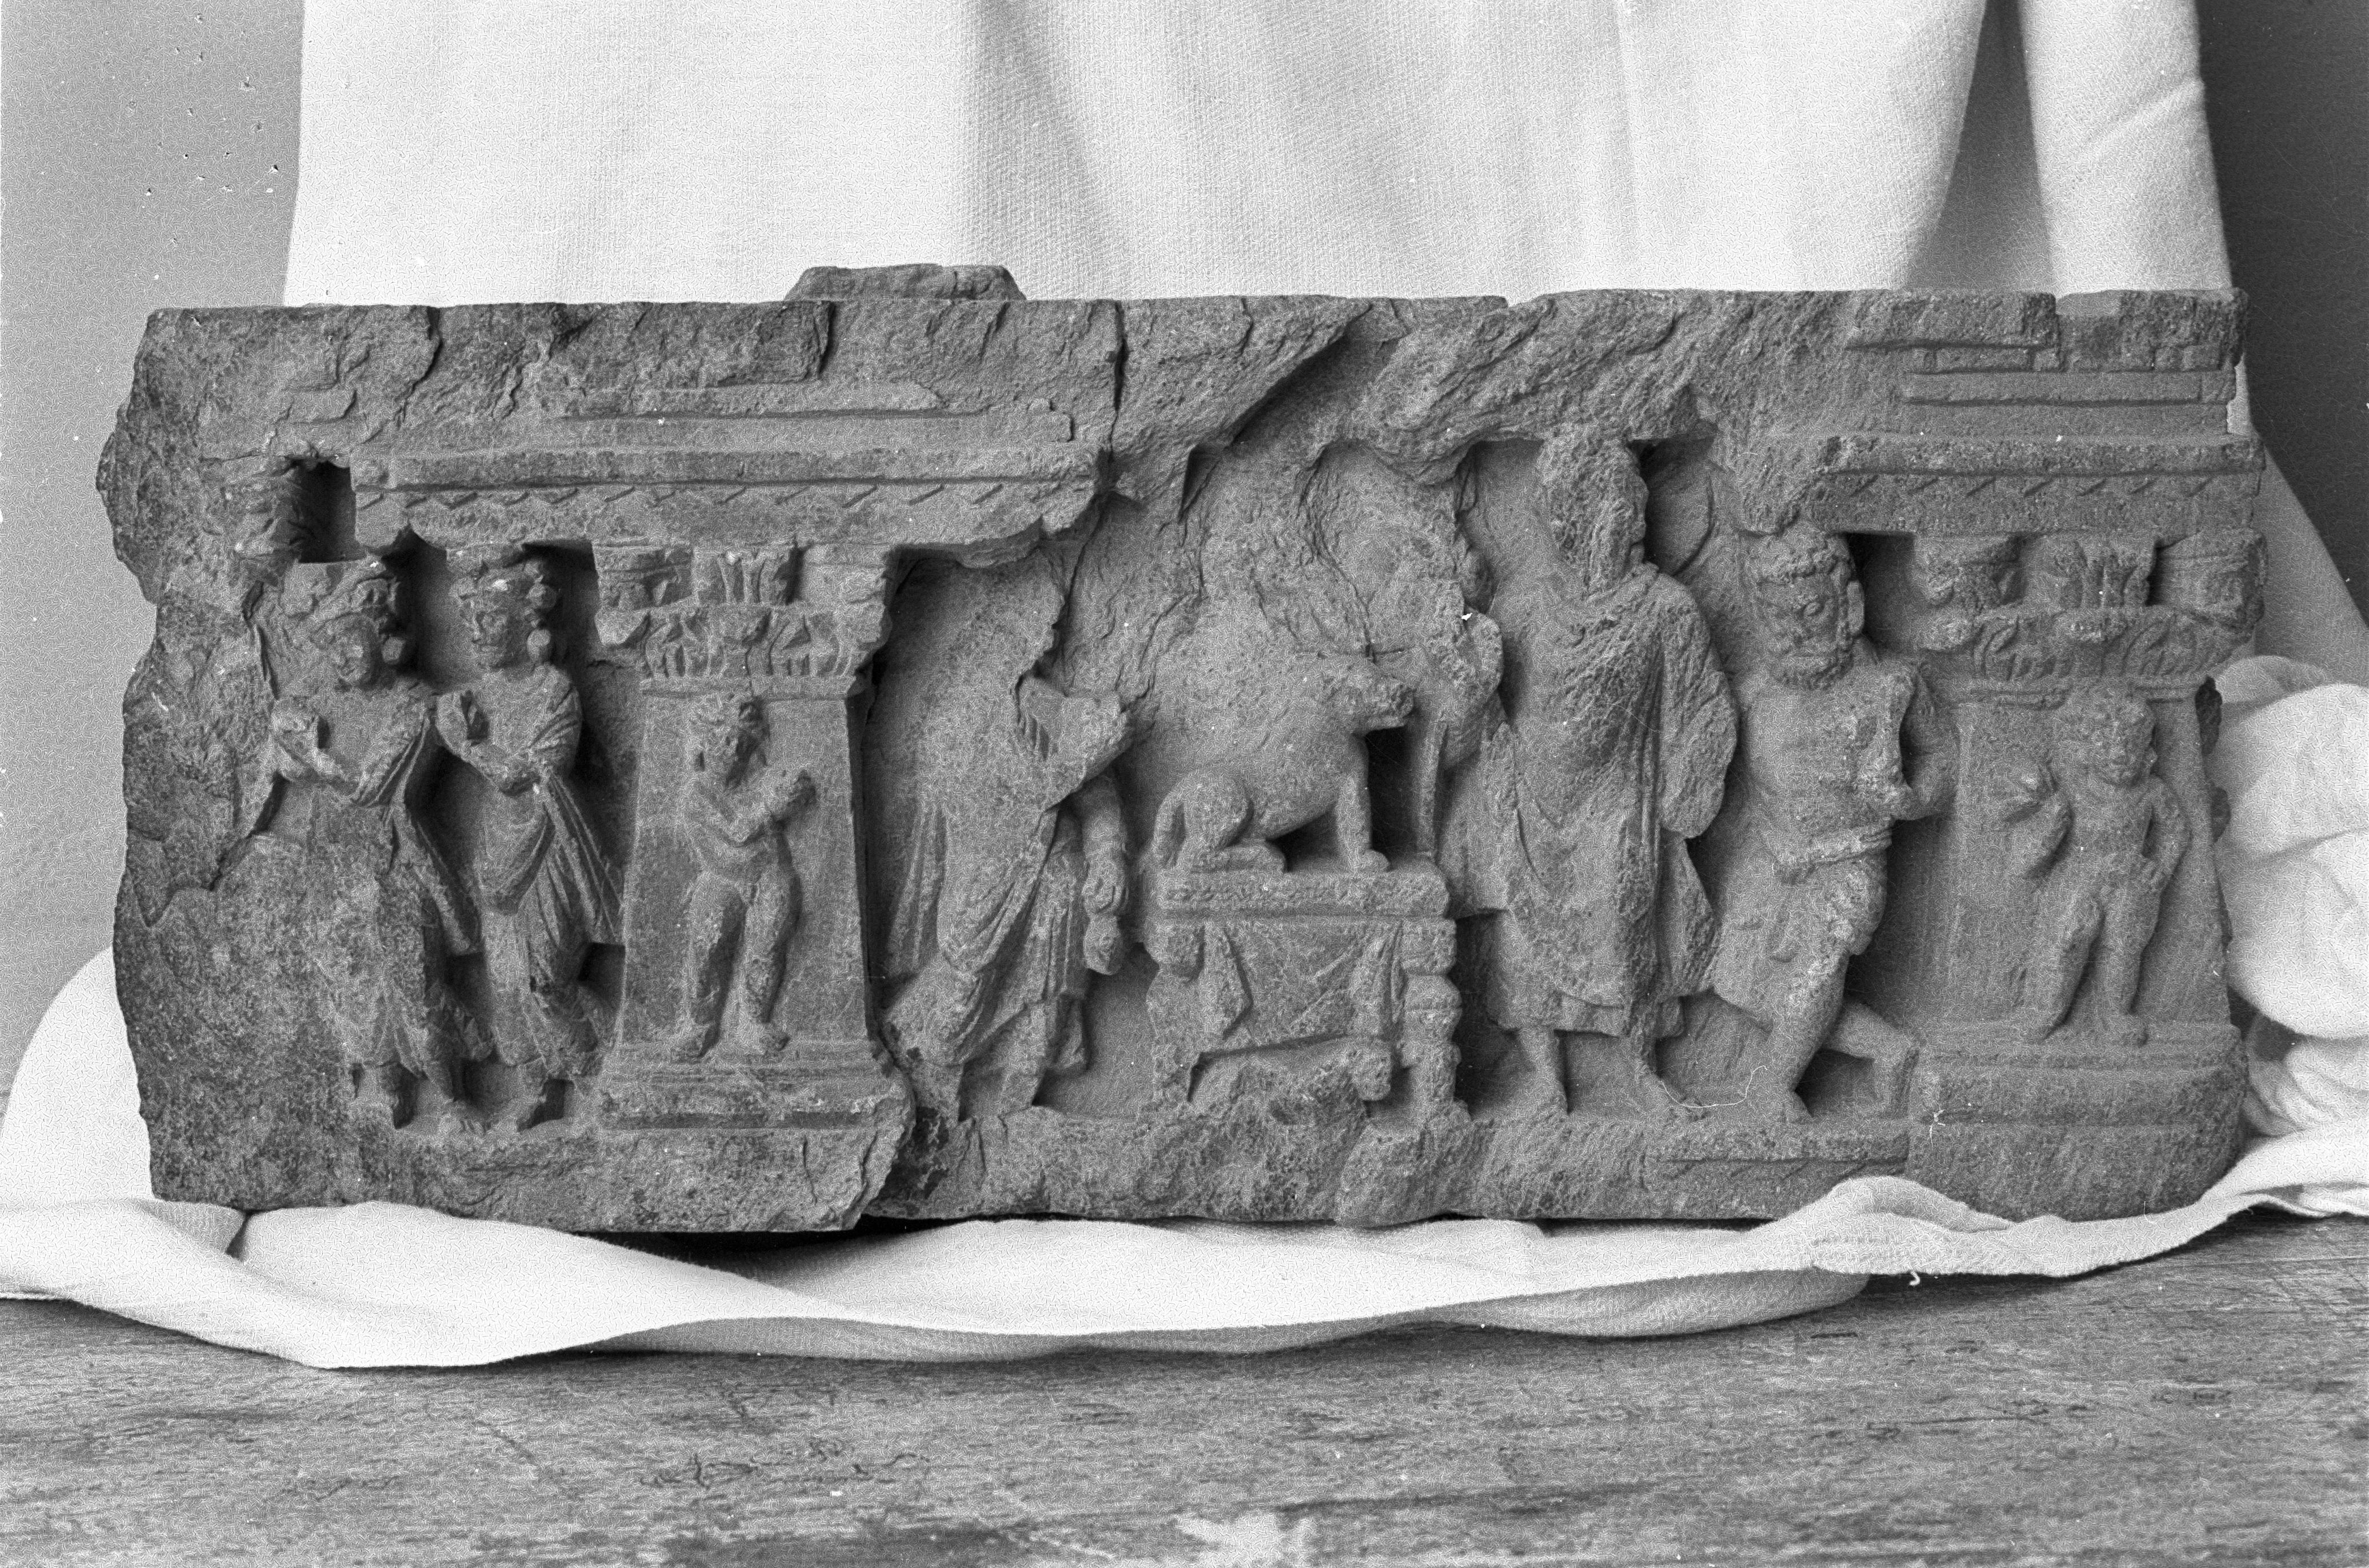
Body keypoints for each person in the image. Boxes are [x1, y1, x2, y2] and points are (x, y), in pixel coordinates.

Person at [1444, 438, 1735, 1118]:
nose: (1632, 524)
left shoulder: (1665, 608)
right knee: (1520, 941)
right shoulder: (1525, 607)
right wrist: (1468, 674)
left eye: (1635, 507)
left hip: (1620, 800)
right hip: (1530, 798)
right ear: (1572, 522)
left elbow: (1704, 702)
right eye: (1615, 510)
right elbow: (1488, 707)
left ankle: (1640, 1070)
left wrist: (1685, 782)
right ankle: (1546, 1077)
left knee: (1627, 925)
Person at [1705, 532, 1947, 1123]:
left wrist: (1913, 798)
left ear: (1850, 605)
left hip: (1849, 860)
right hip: (1773, 858)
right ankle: (1890, 1050)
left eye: (1811, 610)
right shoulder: (1756, 693)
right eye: (1778, 617)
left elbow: (1943, 758)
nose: (1796, 630)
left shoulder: (1889, 688)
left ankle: (1773, 1085)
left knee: (1817, 973)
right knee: (1746, 983)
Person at [267, 561, 481, 1128]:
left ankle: (454, 1097)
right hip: (335, 863)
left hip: (396, 862)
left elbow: (372, 785)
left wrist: (316, 758)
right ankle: (387, 1088)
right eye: (329, 648)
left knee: (417, 986)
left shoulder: (414, 703)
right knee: (353, 978)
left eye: (348, 641)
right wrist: (289, 731)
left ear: (380, 632)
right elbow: (284, 746)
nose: (340, 657)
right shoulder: (326, 697)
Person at [434, 550, 621, 1128]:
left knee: (546, 977)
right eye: (470, 621)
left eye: (491, 618)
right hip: (498, 848)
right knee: (508, 984)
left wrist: (470, 747)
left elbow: (529, 773)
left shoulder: (553, 689)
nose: (477, 632)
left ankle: (593, 1068)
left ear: (526, 622)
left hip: (551, 844)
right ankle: (536, 1088)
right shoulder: (472, 698)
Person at [2001, 683, 2188, 1048]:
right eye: (2106, 745)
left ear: (2146, 750)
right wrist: (2050, 822)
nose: (2120, 754)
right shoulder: (2071, 789)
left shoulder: (2152, 791)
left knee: (2123, 948)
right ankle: (2043, 1010)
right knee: (2065, 942)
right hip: (2078, 877)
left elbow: (2175, 831)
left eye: (2131, 746)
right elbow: (2031, 852)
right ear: (2085, 749)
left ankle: (2115, 1013)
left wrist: (2162, 868)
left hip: (2131, 880)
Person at [666, 693, 815, 1062]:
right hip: (723, 875)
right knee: (707, 943)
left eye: (743, 744)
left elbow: (794, 786)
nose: (734, 752)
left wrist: (793, 790)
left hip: (770, 874)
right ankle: (700, 1024)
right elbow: (737, 833)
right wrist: (769, 809)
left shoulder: (760, 779)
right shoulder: (696, 793)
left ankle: (754, 1021)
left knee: (768, 944)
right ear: (705, 740)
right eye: (725, 741)